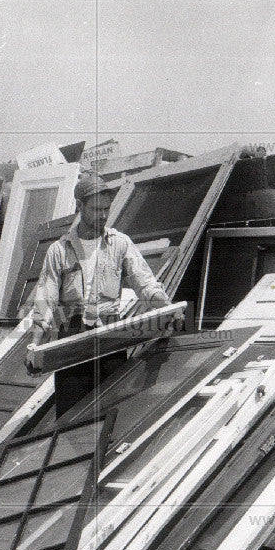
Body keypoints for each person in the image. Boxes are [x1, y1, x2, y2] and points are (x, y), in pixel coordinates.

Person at [25, 172, 179, 416]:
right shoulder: (59, 251)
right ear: (80, 206)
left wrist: (167, 309)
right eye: (97, 209)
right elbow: (45, 302)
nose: (104, 215)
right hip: (73, 340)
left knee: (112, 412)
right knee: (70, 416)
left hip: (111, 338)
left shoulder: (120, 243)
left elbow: (146, 285)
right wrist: (34, 343)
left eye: (106, 209)